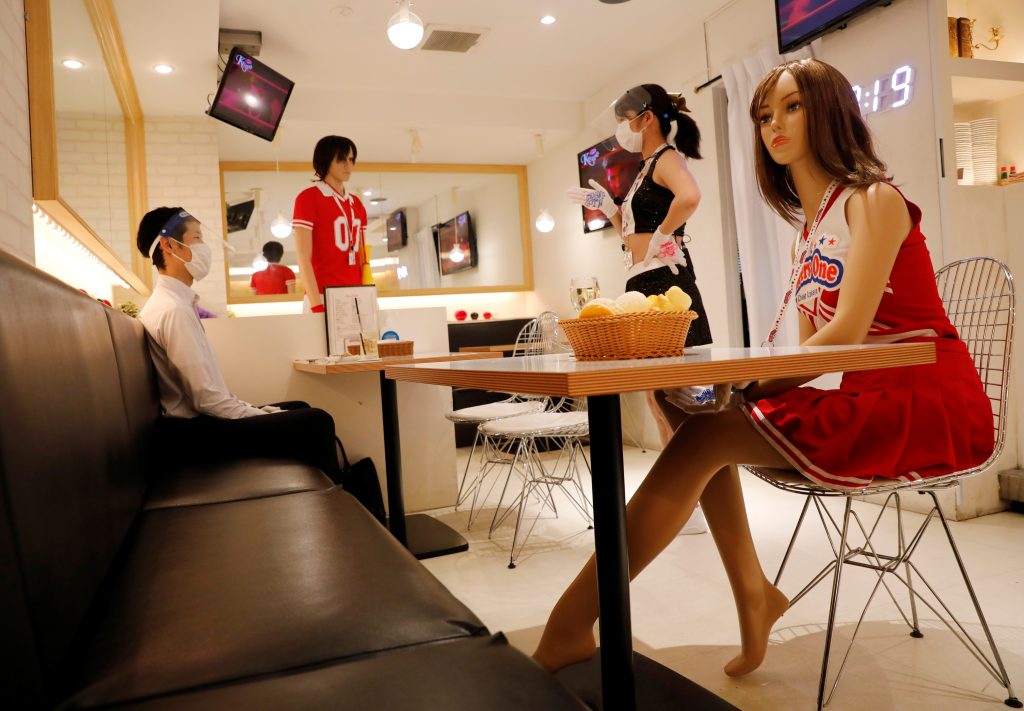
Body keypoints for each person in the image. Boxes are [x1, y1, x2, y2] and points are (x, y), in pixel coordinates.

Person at [533, 58, 993, 678]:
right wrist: (744, 384)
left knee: (708, 429)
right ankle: (751, 595)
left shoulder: (874, 199)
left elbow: (847, 333)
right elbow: (814, 349)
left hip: (925, 401)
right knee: (704, 425)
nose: (774, 124)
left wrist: (746, 383)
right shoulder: (810, 229)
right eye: (764, 114)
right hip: (868, 392)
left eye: (793, 106)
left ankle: (572, 624)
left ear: (829, 110)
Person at [568, 83, 713, 535]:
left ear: (645, 117)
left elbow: (689, 198)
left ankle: (687, 500)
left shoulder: (667, 158)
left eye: (625, 119)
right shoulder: (643, 168)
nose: (621, 130)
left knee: (678, 398)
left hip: (663, 278)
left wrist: (666, 237)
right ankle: (677, 498)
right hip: (641, 276)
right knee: (658, 398)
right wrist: (607, 207)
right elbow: (631, 226)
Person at [136, 206, 344, 483]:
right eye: (196, 238)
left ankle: (323, 500)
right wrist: (256, 413)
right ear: (168, 245)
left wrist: (258, 412)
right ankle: (333, 513)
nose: (204, 247)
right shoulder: (173, 310)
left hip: (200, 423)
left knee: (299, 407)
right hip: (193, 435)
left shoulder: (178, 304)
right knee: (317, 421)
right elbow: (206, 398)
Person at [292, 135, 369, 313]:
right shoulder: (308, 198)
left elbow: (361, 257)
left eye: (351, 159)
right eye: (341, 159)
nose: (348, 165)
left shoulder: (356, 204)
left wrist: (367, 294)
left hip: (356, 296)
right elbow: (303, 258)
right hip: (321, 295)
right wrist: (316, 305)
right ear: (326, 159)